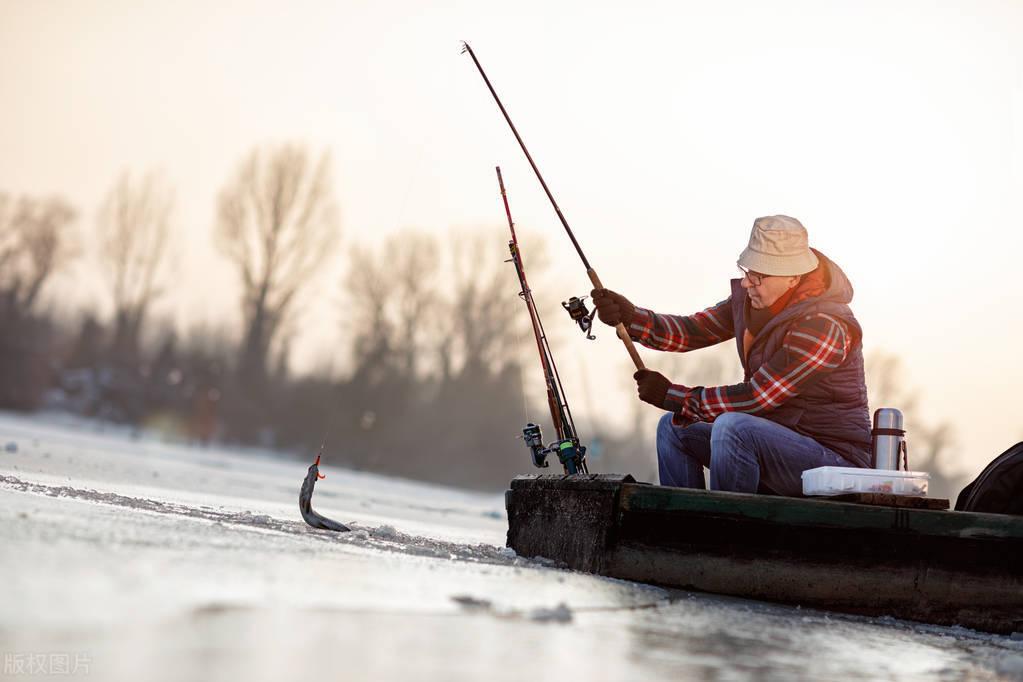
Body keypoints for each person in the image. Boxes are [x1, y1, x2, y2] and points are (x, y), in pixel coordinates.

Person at [591, 215, 871, 496]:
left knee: (733, 427)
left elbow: (759, 396)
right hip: (773, 442)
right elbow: (692, 331)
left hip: (833, 464)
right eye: (747, 270)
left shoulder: (825, 325)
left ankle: (724, 529)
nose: (747, 283)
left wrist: (674, 396)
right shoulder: (754, 303)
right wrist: (631, 317)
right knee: (673, 427)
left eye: (758, 276)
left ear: (792, 278)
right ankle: (680, 528)